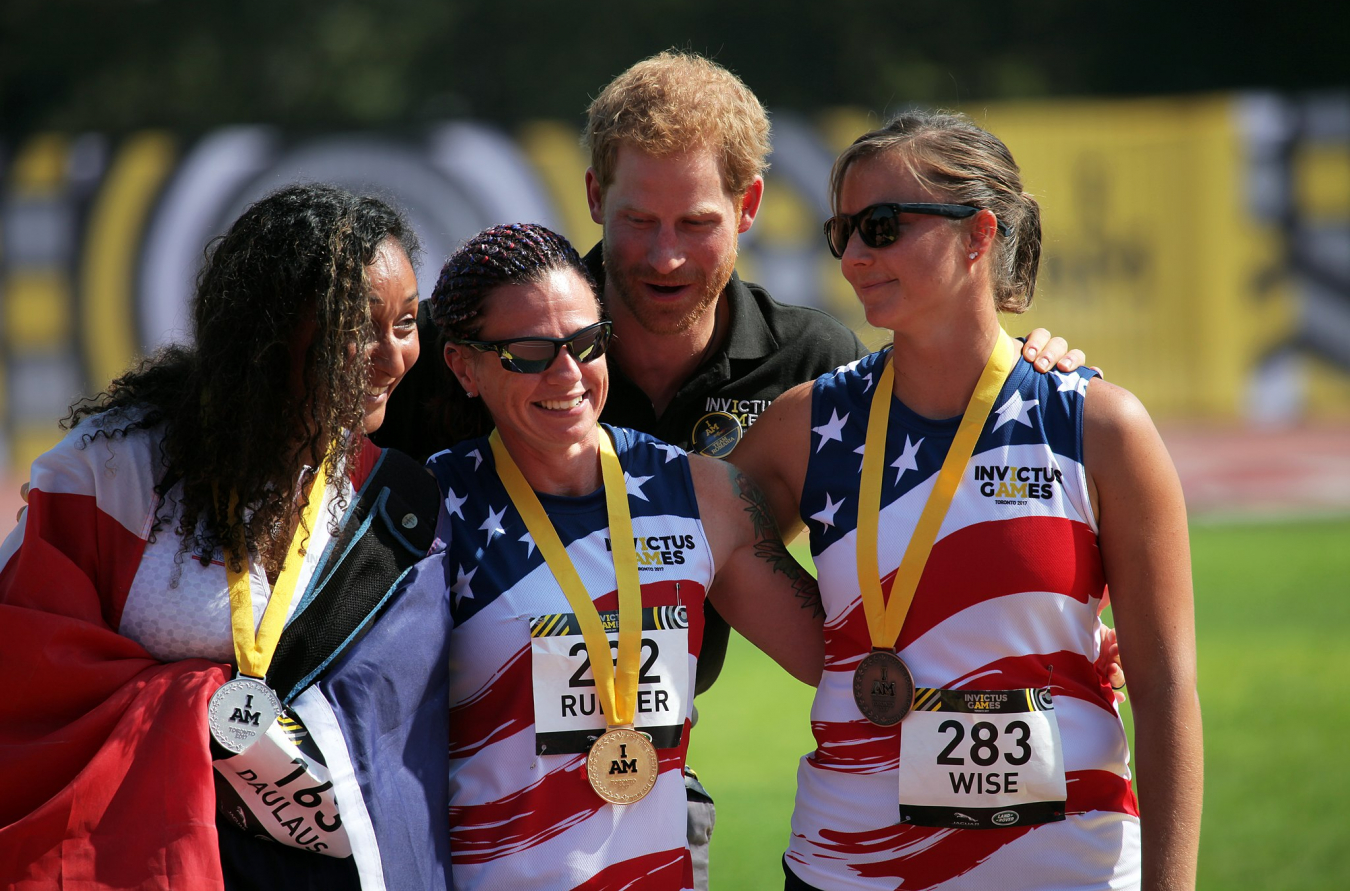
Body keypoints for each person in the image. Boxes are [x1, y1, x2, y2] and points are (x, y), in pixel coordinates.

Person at [371, 51, 1087, 889]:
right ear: (596, 198)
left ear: (749, 208)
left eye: (696, 224)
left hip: (651, 779)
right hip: (449, 789)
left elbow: (928, 515)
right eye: (638, 221)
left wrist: (1033, 367)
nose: (665, 258)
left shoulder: (813, 368)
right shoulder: (478, 339)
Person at [730, 111, 1203, 890]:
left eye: (880, 226)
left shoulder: (1100, 426)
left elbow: (1165, 688)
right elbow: (682, 540)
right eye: (840, 230)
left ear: (979, 235)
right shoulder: (807, 425)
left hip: (1067, 870)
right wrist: (838, 654)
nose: (852, 257)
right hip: (851, 870)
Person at [0, 184, 445, 890]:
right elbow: (24, 666)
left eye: (407, 323)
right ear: (271, 332)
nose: (391, 358)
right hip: (153, 861)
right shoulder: (118, 468)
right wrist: (193, 705)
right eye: (357, 328)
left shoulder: (395, 499)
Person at [405, 222, 825, 890]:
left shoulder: (702, 493)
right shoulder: (424, 512)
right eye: (529, 353)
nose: (567, 374)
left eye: (584, 343)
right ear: (464, 366)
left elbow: (838, 658)